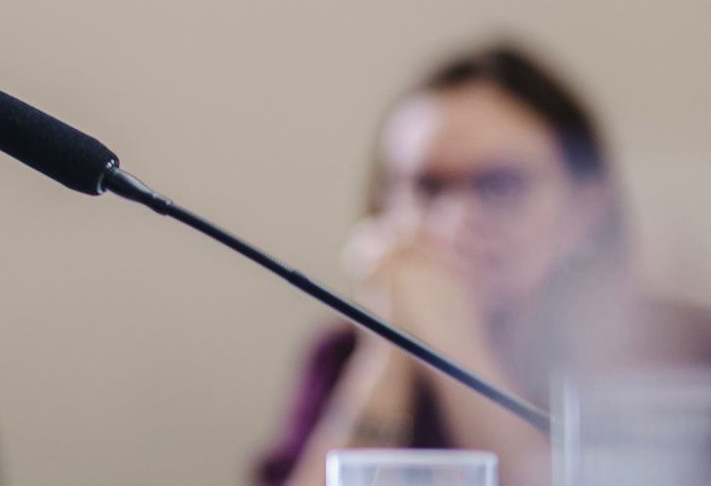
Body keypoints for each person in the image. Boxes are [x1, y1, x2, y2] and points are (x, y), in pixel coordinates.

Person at [255, 42, 711, 486]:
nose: (453, 224)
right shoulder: (342, 355)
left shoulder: (678, 350)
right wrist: (387, 354)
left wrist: (454, 343)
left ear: (583, 208)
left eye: (499, 186)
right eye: (427, 188)